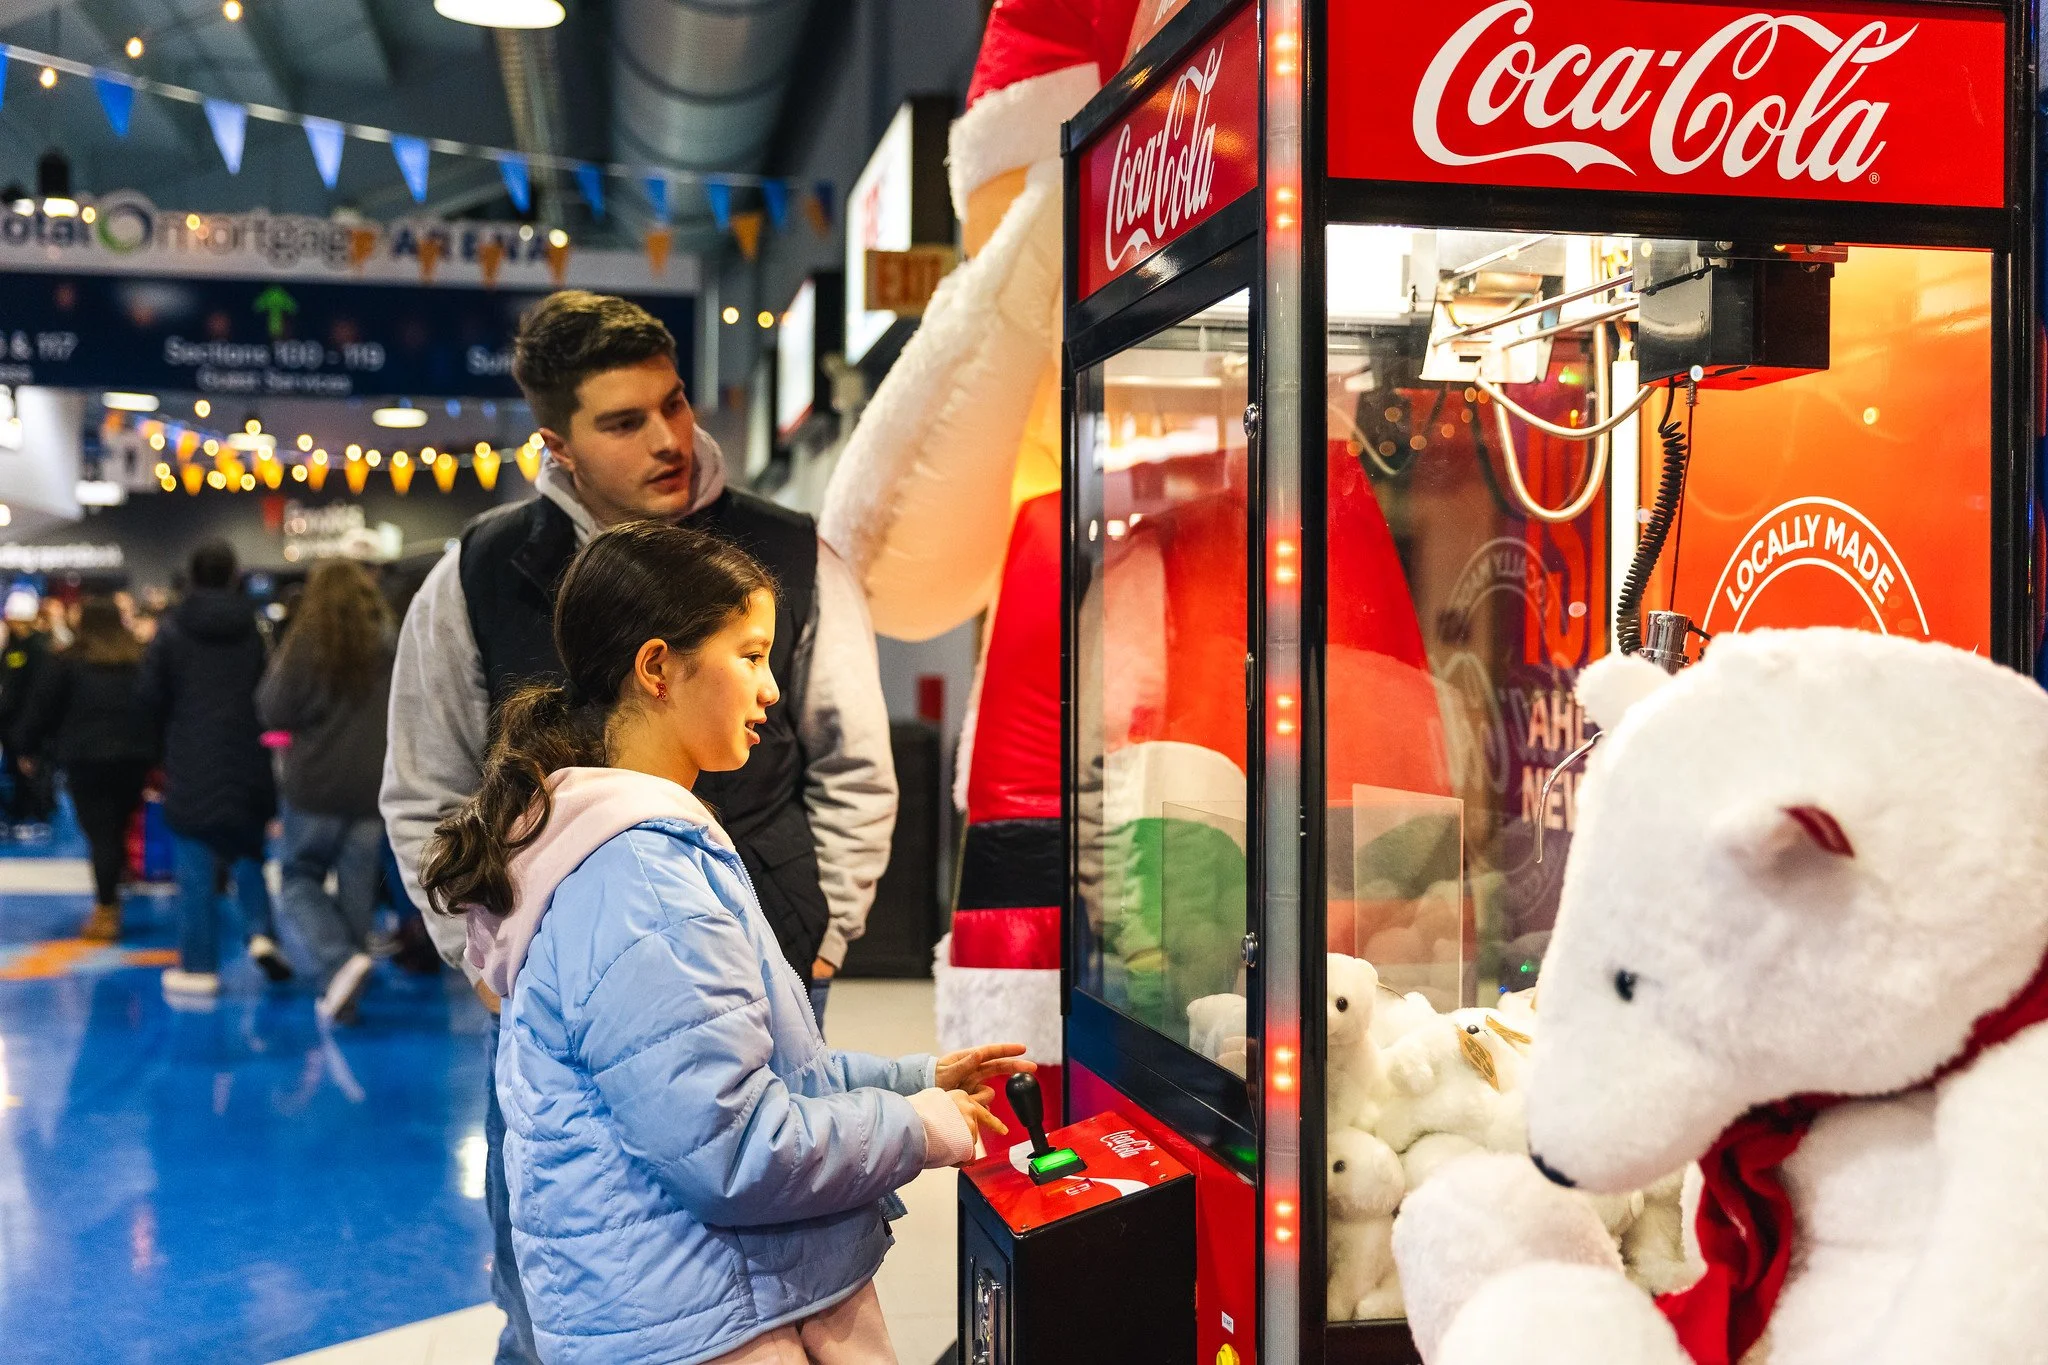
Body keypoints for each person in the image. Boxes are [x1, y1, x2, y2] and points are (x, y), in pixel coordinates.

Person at [382, 292, 896, 1361]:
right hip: (559, 991)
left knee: (776, 1250)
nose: (668, 439)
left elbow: (853, 762)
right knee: (559, 1270)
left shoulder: (790, 558)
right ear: (555, 441)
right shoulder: (477, 574)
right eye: (623, 421)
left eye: (673, 404)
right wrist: (485, 959)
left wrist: (822, 929)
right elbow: (424, 785)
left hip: (760, 961)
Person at [420, 521, 1022, 1364]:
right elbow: (732, 1150)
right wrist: (918, 1126)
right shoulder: (641, 881)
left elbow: (755, 1070)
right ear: (657, 667)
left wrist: (921, 1078)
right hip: (711, 1325)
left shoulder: (629, 844)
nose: (771, 688)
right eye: (749, 655)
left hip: (711, 1302)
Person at [142, 541, 293, 999]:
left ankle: (200, 966)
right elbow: (269, 694)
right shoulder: (254, 629)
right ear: (233, 576)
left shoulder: (171, 630)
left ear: (191, 575)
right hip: (246, 753)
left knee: (193, 856)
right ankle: (262, 932)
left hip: (190, 755)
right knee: (246, 846)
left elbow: (150, 698)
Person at [258, 560, 394, 1023]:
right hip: (374, 785)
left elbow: (272, 707)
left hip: (315, 784)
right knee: (358, 886)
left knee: (298, 878)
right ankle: (346, 988)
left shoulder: (308, 644)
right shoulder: (391, 643)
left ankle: (339, 963)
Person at [11, 597, 158, 940]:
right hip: (134, 758)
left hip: (85, 758)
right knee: (119, 826)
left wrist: (26, 747)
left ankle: (106, 908)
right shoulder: (138, 660)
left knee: (100, 832)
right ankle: (113, 888)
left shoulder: (67, 662)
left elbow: (42, 709)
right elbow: (156, 707)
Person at [0, 587, 57, 842]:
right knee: (17, 768)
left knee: (33, 769)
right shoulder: (14, 647)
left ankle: (36, 815)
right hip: (12, 722)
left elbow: (36, 690)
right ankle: (21, 812)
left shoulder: (38, 648)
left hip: (31, 721)